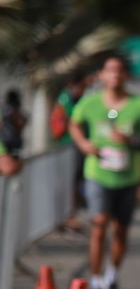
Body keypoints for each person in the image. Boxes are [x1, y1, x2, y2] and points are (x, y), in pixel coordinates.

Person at [69, 54, 140, 289]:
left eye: (120, 70)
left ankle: (111, 277)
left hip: (128, 176)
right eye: (110, 70)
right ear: (101, 75)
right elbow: (73, 124)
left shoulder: (139, 105)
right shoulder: (90, 103)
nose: (115, 75)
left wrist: (131, 141)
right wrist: (84, 144)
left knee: (120, 229)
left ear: (126, 75)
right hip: (98, 174)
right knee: (98, 225)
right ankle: (95, 281)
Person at [51, 69, 91, 232]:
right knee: (70, 182)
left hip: (73, 146)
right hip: (69, 145)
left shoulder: (73, 97)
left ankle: (70, 215)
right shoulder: (68, 98)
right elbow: (74, 118)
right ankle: (68, 216)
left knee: (74, 181)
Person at [1, 89, 27, 158]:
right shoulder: (11, 108)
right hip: (10, 141)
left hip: (7, 141)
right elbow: (18, 122)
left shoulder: (4, 107)